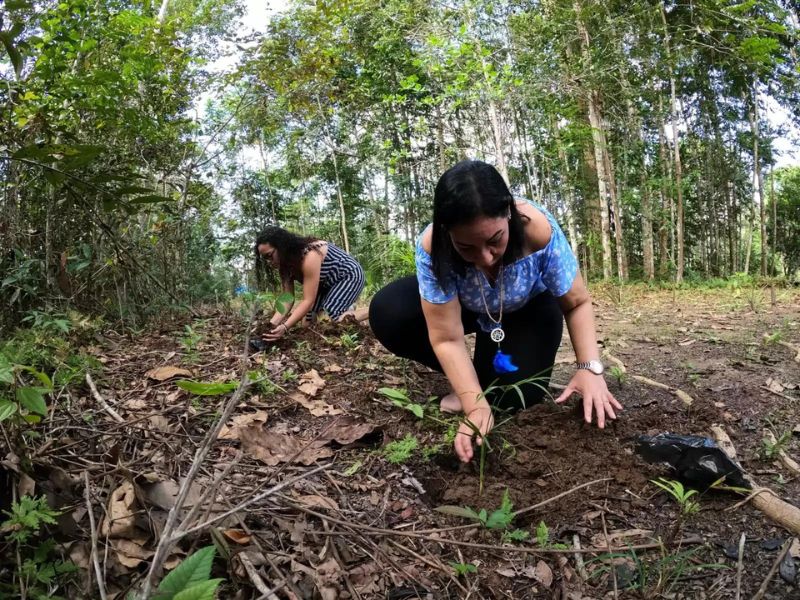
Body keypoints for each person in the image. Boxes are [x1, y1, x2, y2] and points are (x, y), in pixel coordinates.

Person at [369, 160, 622, 463]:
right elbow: (446, 337)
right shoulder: (433, 246)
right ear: (447, 233)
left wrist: (588, 368)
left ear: (509, 215)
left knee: (513, 397)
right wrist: (474, 404)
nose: (485, 258)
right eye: (467, 247)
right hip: (467, 307)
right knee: (390, 312)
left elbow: (577, 302)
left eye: (495, 241)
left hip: (527, 309)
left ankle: (484, 381)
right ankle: (471, 385)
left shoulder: (537, 229)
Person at [254, 226, 365, 341]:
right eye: (265, 259)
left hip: (348, 276)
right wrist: (271, 325)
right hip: (324, 285)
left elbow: (308, 301)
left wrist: (285, 327)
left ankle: (371, 311)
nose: (269, 262)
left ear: (282, 247)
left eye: (269, 255)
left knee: (328, 320)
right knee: (306, 325)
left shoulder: (309, 255)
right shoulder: (285, 266)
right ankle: (343, 309)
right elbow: (288, 299)